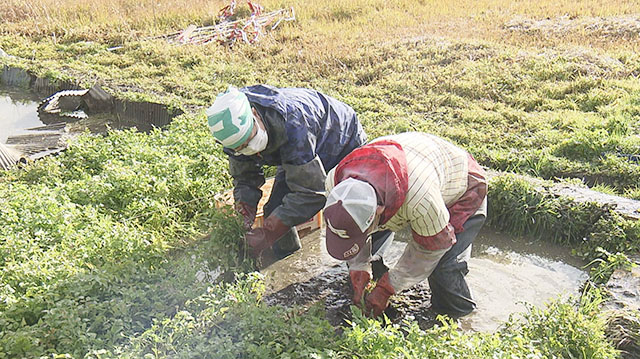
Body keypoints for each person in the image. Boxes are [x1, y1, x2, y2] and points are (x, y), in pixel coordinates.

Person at [323, 132, 487, 318]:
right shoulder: (335, 184)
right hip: (405, 170)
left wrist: (387, 288)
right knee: (366, 257)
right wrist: (359, 266)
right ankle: (374, 279)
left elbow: (429, 250)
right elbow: (351, 231)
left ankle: (460, 317)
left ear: (378, 210)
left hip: (461, 185)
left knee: (444, 270)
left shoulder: (421, 201)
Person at [206, 84, 367, 259]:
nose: (249, 149)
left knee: (350, 209)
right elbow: (245, 178)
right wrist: (244, 212)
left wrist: (268, 232)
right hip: (299, 149)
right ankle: (288, 258)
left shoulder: (293, 125)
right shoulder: (233, 135)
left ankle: (365, 265)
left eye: (249, 141)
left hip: (339, 139)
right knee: (275, 208)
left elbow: (311, 193)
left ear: (254, 114)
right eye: (241, 148)